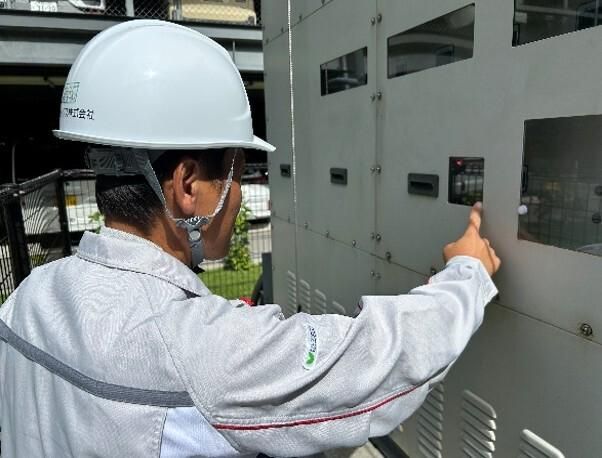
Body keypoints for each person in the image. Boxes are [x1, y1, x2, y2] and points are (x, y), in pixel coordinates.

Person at [0, 20, 500, 457]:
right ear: (188, 185)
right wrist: (468, 273)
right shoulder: (201, 349)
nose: (239, 195)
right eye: (237, 173)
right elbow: (373, 360)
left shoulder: (27, 299)